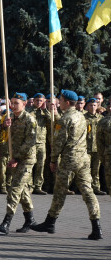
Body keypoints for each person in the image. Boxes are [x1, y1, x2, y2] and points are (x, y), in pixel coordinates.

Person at [31, 90, 102, 240]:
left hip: (69, 159)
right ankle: (97, 226)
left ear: (67, 102)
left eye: (61, 100)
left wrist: (53, 159)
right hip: (83, 158)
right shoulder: (81, 116)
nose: (59, 102)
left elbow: (59, 142)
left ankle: (50, 222)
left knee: (59, 192)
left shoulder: (65, 119)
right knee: (88, 192)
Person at [0, 93, 38, 234]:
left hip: (26, 159)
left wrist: (16, 158)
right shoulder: (9, 117)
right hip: (15, 158)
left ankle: (6, 222)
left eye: (16, 103)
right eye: (11, 102)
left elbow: (30, 143)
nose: (13, 105)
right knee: (22, 189)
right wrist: (2, 125)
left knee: (15, 188)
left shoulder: (30, 120)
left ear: (24, 104)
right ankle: (30, 219)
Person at [84, 98, 105, 195]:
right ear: (87, 106)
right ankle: (86, 188)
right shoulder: (83, 117)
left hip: (97, 148)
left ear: (97, 107)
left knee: (96, 170)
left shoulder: (101, 119)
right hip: (86, 148)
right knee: (85, 169)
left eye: (94, 105)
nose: (92, 107)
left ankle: (96, 188)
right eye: (91, 105)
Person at [31, 93, 51, 195]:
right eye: (37, 100)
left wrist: (45, 110)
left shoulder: (45, 113)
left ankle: (38, 186)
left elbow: (51, 120)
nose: (38, 103)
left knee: (40, 165)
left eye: (41, 101)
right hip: (31, 142)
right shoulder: (29, 111)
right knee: (30, 164)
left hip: (41, 142)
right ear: (33, 101)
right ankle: (29, 186)